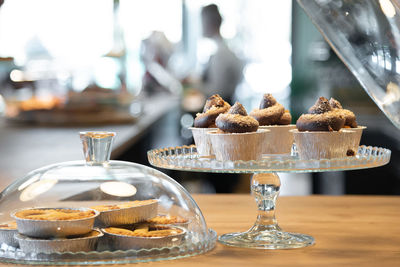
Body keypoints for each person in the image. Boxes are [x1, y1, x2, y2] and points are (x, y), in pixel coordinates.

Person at [200, 4, 243, 104]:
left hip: (221, 111)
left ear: (209, 23)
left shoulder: (221, 54)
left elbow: (217, 91)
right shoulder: (222, 49)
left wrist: (194, 87)